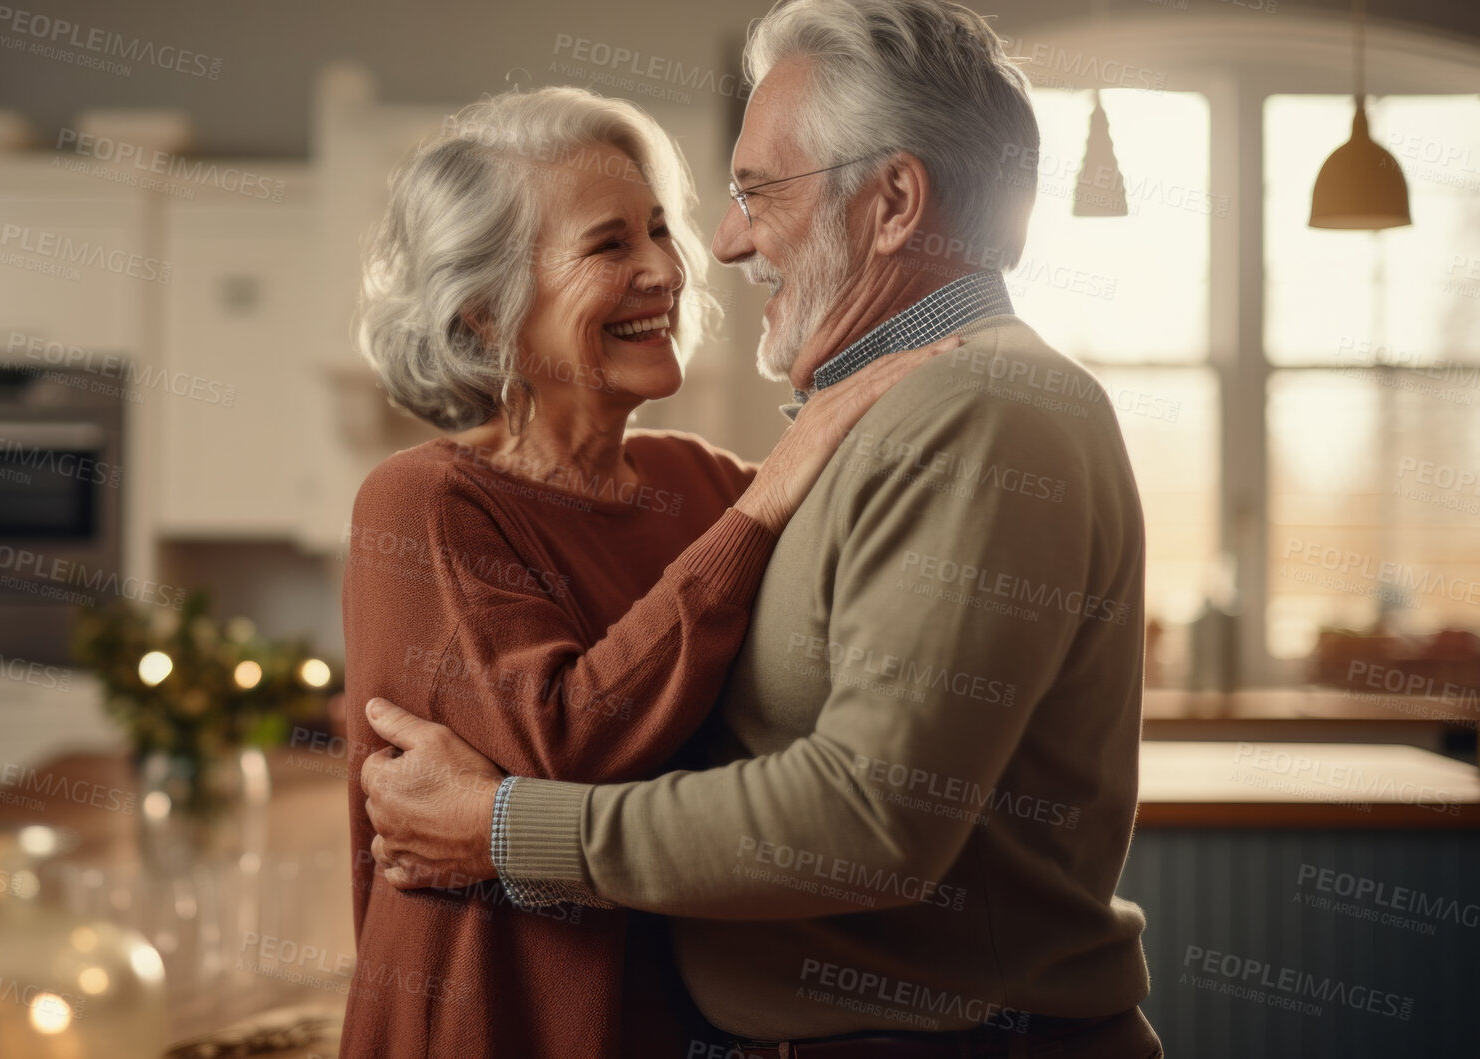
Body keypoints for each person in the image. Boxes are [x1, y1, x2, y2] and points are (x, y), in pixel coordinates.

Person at [360, 1, 1165, 1056]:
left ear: (891, 202)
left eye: (751, 194)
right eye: (615, 239)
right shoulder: (864, 431)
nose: (718, 246)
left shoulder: (974, 411)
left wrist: (502, 827)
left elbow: (865, 823)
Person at [339, 83, 956, 1058]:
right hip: (496, 1026)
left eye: (660, 232)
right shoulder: (423, 503)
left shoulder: (697, 484)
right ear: (487, 315)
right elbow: (564, 744)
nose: (665, 271)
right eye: (607, 246)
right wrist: (766, 500)